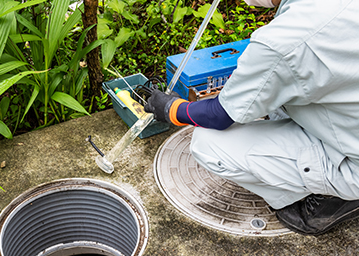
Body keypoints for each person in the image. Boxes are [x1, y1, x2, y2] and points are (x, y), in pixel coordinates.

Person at [144, 0, 359, 236]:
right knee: (282, 98)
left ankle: (330, 198)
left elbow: (219, 115)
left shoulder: (287, 39)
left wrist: (172, 109)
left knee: (207, 143)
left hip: (353, 160)